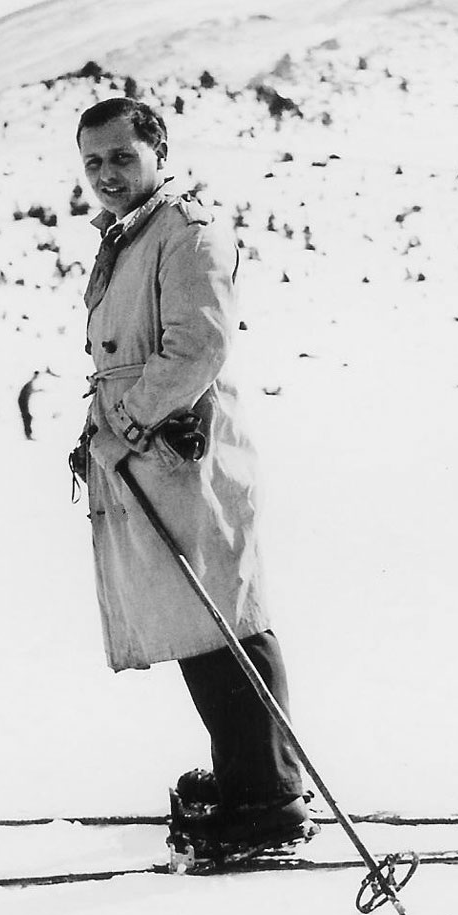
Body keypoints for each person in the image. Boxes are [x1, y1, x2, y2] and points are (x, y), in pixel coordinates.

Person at [73, 96, 309, 854]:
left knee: (223, 613)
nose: (107, 174)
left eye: (121, 157)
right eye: (93, 163)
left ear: (157, 150)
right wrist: (100, 434)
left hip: (184, 450)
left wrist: (128, 426)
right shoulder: (132, 237)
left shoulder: (186, 231)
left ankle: (269, 798)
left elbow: (197, 350)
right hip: (151, 454)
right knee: (198, 617)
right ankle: (245, 774)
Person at [18, 371, 41, 439]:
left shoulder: (29, 384)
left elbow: (30, 391)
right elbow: (29, 391)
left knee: (28, 417)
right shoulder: (29, 383)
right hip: (23, 402)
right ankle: (28, 435)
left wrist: (38, 390)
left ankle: (28, 434)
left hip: (23, 402)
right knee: (27, 417)